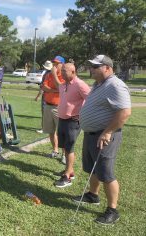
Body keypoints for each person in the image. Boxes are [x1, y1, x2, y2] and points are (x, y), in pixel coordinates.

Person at [72, 55, 131, 225]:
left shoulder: (115, 85)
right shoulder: (98, 84)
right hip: (92, 134)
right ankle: (93, 195)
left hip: (104, 136)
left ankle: (113, 210)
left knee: (106, 173)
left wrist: (107, 132)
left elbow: (125, 112)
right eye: (91, 66)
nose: (91, 69)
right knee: (93, 169)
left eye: (95, 67)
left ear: (107, 67)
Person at [51, 63, 90, 188]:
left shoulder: (80, 84)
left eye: (64, 71)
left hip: (73, 121)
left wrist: (82, 114)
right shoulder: (64, 84)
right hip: (62, 120)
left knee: (69, 148)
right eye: (61, 71)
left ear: (73, 72)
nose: (62, 73)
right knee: (65, 148)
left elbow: (91, 100)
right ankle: (70, 171)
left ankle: (67, 176)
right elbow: (58, 84)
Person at [42, 56, 65, 160]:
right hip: (48, 105)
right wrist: (55, 90)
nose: (55, 65)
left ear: (62, 65)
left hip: (59, 107)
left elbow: (61, 87)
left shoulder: (64, 75)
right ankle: (55, 150)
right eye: (54, 63)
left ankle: (64, 154)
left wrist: (53, 88)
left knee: (62, 132)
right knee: (51, 131)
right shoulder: (48, 75)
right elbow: (44, 87)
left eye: (57, 63)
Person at [34, 60, 53, 133]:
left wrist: (37, 96)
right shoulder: (53, 74)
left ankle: (44, 129)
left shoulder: (46, 75)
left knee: (44, 113)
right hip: (52, 96)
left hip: (46, 96)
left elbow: (43, 87)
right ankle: (49, 128)